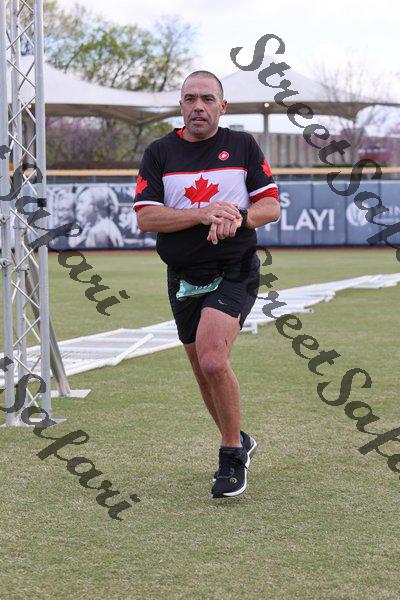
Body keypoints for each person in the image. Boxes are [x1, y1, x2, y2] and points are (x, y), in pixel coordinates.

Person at [133, 70, 280, 498]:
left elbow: (270, 206)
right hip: (182, 276)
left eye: (207, 99)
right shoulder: (160, 152)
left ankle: (231, 455)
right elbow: (146, 217)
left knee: (214, 361)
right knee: (201, 371)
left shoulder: (243, 146)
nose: (198, 106)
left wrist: (238, 216)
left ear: (222, 105)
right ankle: (240, 438)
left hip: (234, 269)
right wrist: (201, 213)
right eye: (190, 98)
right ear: (180, 105)